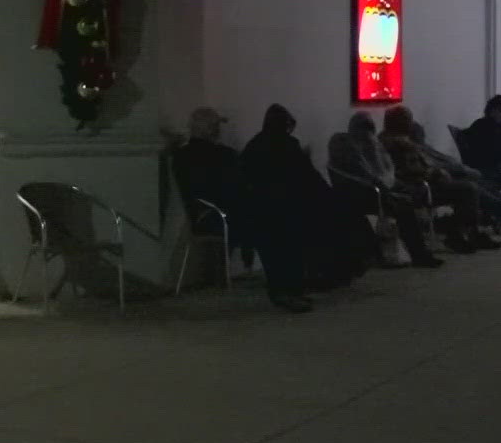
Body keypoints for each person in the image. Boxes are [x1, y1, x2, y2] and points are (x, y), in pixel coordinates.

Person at [240, 105, 373, 311]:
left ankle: (302, 284)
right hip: (289, 209)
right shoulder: (287, 146)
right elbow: (308, 179)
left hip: (265, 211)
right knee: (341, 219)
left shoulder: (254, 146)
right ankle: (326, 276)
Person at [328, 112, 443, 268]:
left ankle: (419, 250)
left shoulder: (372, 145)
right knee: (404, 207)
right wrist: (384, 187)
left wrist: (390, 186)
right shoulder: (348, 146)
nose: (367, 133)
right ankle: (419, 254)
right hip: (362, 193)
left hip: (377, 189)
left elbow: (386, 171)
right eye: (364, 127)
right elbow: (365, 174)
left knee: (407, 199)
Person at [380, 105, 499, 253]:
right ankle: (456, 232)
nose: (411, 124)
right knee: (468, 189)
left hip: (424, 183)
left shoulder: (396, 140)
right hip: (418, 188)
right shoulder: (397, 144)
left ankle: (468, 231)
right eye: (408, 120)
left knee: (470, 185)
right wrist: (435, 173)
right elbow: (407, 170)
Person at [172, 107, 251, 263]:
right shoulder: (224, 154)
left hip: (198, 220)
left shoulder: (180, 156)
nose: (218, 130)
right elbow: (238, 187)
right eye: (216, 126)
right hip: (221, 218)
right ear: (209, 129)